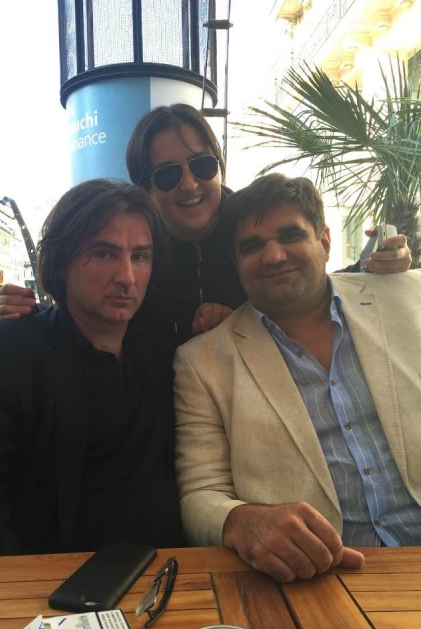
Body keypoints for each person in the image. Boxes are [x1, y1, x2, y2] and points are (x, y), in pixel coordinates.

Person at [0, 104, 412, 364]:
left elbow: (308, 281)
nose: (190, 184)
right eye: (167, 174)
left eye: (202, 165)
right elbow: (88, 311)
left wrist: (381, 266)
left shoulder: (252, 227)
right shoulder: (136, 250)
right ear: (145, 186)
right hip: (156, 408)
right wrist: (21, 312)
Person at [173, 172, 421, 584]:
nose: (273, 256)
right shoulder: (203, 361)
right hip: (316, 582)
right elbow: (200, 494)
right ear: (236, 263)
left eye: (290, 235)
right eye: (252, 246)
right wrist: (242, 521)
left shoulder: (407, 297)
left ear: (324, 240)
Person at [0, 178, 184, 558]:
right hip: (53, 585)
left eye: (140, 257)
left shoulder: (167, 351)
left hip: (178, 574)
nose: (127, 277)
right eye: (104, 253)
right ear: (61, 263)